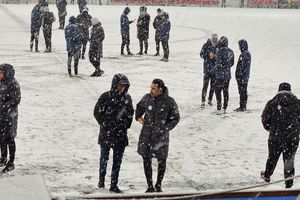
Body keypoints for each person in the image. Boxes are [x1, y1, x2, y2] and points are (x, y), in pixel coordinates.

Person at [136, 79, 180, 193]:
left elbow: (175, 118)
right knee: (146, 159)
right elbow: (139, 108)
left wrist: (165, 128)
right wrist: (139, 117)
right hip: (146, 135)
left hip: (161, 137)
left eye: (153, 88)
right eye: (150, 87)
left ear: (160, 89)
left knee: (162, 161)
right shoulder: (147, 98)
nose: (151, 90)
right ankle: (149, 185)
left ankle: (158, 184)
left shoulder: (169, 102)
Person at [94, 74, 134, 193]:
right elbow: (97, 112)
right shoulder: (105, 96)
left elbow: (130, 113)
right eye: (120, 85)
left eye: (124, 86)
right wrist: (104, 123)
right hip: (107, 133)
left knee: (117, 161)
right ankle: (101, 180)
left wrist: (125, 125)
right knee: (104, 159)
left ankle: (113, 184)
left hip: (120, 135)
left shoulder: (127, 98)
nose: (122, 88)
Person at [261, 82, 300, 188]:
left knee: (272, 156)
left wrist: (270, 128)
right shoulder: (297, 103)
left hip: (275, 136)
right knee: (289, 159)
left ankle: (267, 174)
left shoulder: (272, 102)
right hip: (292, 137)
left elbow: (265, 119)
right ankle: (289, 181)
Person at [0, 64, 21, 173]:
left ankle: (11, 162)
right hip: (1, 115)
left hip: (10, 116)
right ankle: (3, 158)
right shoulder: (2, 82)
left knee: (9, 138)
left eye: (1, 72)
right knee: (1, 137)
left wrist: (4, 106)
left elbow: (16, 99)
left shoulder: (13, 83)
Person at [214, 36, 234, 114]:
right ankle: (225, 107)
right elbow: (232, 63)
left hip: (220, 76)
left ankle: (219, 107)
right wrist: (227, 67)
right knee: (226, 91)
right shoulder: (231, 52)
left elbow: (218, 64)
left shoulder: (220, 51)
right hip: (227, 75)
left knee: (218, 91)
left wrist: (218, 66)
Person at [200, 34, 218, 107]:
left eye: (215, 41)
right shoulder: (206, 45)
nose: (214, 43)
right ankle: (203, 100)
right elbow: (201, 54)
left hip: (214, 70)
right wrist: (208, 55)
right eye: (213, 41)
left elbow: (220, 57)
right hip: (207, 70)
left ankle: (210, 99)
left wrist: (215, 57)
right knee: (205, 86)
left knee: (213, 86)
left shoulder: (218, 47)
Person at [235, 39, 251, 111]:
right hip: (242, 76)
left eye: (239, 45)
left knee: (243, 91)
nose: (239, 47)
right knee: (242, 91)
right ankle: (242, 106)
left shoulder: (245, 54)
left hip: (243, 77)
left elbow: (244, 66)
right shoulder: (244, 53)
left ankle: (243, 106)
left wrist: (240, 75)